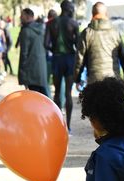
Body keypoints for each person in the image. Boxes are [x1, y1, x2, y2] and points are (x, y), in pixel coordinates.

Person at [74, 2, 124, 87]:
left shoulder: (87, 33)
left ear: (92, 14)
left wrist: (77, 79)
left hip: (94, 81)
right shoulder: (115, 33)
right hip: (114, 80)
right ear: (106, 14)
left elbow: (79, 59)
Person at [44, 0, 79, 133]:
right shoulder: (73, 23)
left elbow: (45, 44)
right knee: (68, 94)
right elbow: (78, 44)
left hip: (57, 59)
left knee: (57, 92)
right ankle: (68, 127)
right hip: (70, 59)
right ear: (68, 9)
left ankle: (58, 125)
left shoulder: (51, 23)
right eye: (72, 8)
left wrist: (55, 50)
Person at [18, 8, 48, 96]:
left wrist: (22, 75)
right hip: (41, 68)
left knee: (35, 98)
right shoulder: (41, 28)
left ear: (28, 17)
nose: (20, 17)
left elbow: (24, 53)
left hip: (30, 71)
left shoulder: (26, 31)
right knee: (43, 97)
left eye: (22, 15)